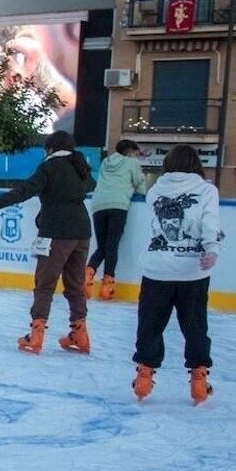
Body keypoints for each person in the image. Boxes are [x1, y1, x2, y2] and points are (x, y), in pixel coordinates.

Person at [0, 131, 95, 355]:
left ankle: (36, 335)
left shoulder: (49, 167)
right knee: (75, 285)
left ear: (50, 149)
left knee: (45, 284)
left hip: (56, 233)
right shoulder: (79, 165)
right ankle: (80, 333)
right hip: (82, 232)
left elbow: (23, 192)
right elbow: (89, 186)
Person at [132, 145, 221, 406]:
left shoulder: (155, 190)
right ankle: (199, 381)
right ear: (196, 164)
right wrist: (212, 249)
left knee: (150, 323)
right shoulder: (207, 190)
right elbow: (210, 223)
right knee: (195, 326)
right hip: (192, 271)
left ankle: (144, 377)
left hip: (157, 269)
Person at [87, 139, 147, 301]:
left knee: (102, 246)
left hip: (98, 205)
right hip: (118, 205)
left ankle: (87, 276)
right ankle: (107, 286)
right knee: (112, 245)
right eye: (136, 153)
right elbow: (139, 183)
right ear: (130, 152)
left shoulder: (106, 162)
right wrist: (141, 192)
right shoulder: (131, 163)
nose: (136, 157)